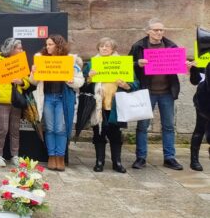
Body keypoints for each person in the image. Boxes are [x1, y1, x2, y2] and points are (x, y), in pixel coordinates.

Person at [129, 18, 188, 171]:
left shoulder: (171, 46)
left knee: (168, 126)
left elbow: (177, 64)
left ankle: (169, 157)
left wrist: (185, 65)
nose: (159, 32)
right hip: (146, 92)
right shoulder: (138, 46)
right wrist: (137, 64)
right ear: (148, 31)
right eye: (156, 30)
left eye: (162, 30)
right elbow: (126, 66)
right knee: (142, 126)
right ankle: (141, 157)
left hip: (167, 92)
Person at [83, 37, 139, 173]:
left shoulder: (122, 63)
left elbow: (135, 83)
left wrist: (126, 85)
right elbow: (83, 86)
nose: (104, 48)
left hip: (116, 105)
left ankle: (117, 162)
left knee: (115, 134)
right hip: (98, 105)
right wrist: (89, 78)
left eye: (107, 46)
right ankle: (99, 161)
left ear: (113, 49)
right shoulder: (92, 63)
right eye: (101, 46)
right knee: (99, 133)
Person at [29, 34, 84, 171]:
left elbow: (80, 81)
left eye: (50, 44)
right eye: (46, 44)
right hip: (47, 97)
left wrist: (71, 81)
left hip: (62, 98)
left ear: (58, 45)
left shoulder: (70, 60)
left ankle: (60, 157)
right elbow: (33, 82)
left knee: (60, 128)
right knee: (50, 128)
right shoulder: (41, 59)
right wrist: (33, 73)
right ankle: (51, 156)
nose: (47, 47)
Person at [0, 37, 30, 167]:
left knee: (15, 130)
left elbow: (27, 82)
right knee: (3, 129)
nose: (22, 50)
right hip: (1, 102)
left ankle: (15, 156)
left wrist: (21, 82)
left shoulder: (21, 62)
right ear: (11, 49)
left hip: (16, 101)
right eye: (19, 48)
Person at [188, 61, 210, 171]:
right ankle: (194, 160)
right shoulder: (203, 61)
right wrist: (194, 69)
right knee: (200, 129)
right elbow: (194, 81)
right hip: (204, 102)